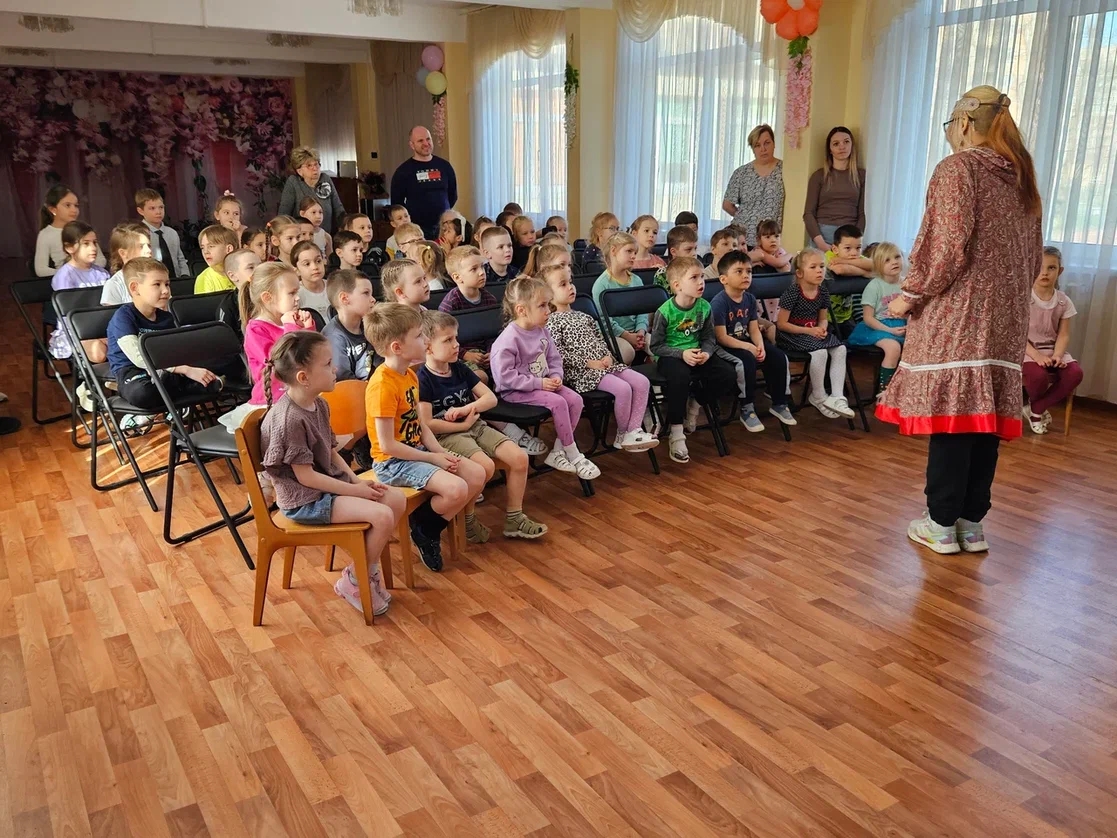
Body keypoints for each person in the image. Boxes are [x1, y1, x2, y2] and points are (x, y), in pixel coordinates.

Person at [876, 85, 1043, 555]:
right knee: (983, 421)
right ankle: (972, 524)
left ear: (964, 123)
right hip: (1005, 318)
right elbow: (1033, 259)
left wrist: (908, 297)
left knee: (953, 418)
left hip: (960, 316)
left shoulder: (958, 168)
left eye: (950, 125)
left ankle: (941, 523)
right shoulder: (1021, 174)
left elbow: (945, 247)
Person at [259, 330, 404, 616]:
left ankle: (365, 571)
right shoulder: (290, 419)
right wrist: (355, 490)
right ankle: (355, 579)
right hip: (304, 501)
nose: (335, 368)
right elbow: (306, 478)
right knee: (382, 516)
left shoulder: (319, 404)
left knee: (395, 500)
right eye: (327, 364)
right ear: (304, 377)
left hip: (326, 488)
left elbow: (331, 450)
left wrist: (357, 480)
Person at [364, 304, 485, 570]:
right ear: (397, 347)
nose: (425, 340)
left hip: (418, 451)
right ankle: (424, 530)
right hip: (393, 463)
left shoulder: (409, 374)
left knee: (476, 475)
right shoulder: (382, 386)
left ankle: (424, 521)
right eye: (419, 336)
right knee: (456, 489)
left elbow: (420, 425)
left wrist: (439, 453)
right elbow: (388, 446)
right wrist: (434, 458)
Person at [418, 311, 548, 542]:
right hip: (448, 436)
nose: (456, 345)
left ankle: (514, 519)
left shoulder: (459, 368)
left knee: (520, 458)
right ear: (427, 346)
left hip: (474, 426)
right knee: (485, 466)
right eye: (448, 340)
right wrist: (462, 425)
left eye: (456, 338)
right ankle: (467, 520)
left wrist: (467, 410)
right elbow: (428, 424)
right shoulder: (423, 378)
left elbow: (490, 399)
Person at [490, 277, 601, 480]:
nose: (548, 311)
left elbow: (553, 358)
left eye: (548, 305)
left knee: (576, 400)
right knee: (559, 402)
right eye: (542, 306)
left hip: (543, 385)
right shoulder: (507, 340)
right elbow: (505, 378)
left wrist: (556, 375)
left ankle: (558, 451)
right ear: (521, 310)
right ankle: (573, 454)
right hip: (515, 392)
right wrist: (539, 383)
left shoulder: (542, 331)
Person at [542, 265, 658, 453]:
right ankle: (623, 434)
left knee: (642, 382)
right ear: (548, 294)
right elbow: (558, 355)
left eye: (570, 282)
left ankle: (633, 430)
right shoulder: (552, 322)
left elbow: (600, 340)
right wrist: (589, 363)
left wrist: (608, 356)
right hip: (582, 373)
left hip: (604, 366)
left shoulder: (584, 316)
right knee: (623, 389)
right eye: (563, 284)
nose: (571, 287)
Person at [648, 257, 737, 463]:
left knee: (727, 373)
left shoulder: (704, 307)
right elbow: (656, 346)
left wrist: (706, 352)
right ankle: (677, 433)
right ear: (677, 285)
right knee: (679, 378)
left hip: (697, 353)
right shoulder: (665, 311)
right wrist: (682, 354)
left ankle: (696, 402)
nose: (701, 282)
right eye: (694, 278)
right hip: (671, 356)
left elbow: (708, 338)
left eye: (702, 277)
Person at [106, 258, 225, 410]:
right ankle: (182, 387)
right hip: (133, 370)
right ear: (135, 288)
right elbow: (138, 357)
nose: (165, 290)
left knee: (220, 365)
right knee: (142, 394)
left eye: (167, 284)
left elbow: (177, 350)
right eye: (157, 284)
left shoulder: (166, 317)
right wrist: (186, 370)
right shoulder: (123, 317)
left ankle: (180, 386)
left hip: (167, 368)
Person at [711, 251, 796, 432]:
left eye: (749, 271)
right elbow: (721, 337)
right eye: (739, 271)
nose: (746, 275)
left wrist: (759, 346)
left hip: (745, 340)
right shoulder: (719, 302)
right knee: (747, 361)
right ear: (724, 279)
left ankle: (779, 403)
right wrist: (748, 347)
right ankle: (747, 407)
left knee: (778, 356)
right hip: (725, 345)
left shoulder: (749, 298)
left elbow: (754, 328)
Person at [776, 249, 855, 419]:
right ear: (799, 273)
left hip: (813, 332)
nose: (819, 270)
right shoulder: (793, 293)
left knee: (840, 349)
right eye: (813, 267)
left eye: (822, 266)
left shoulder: (823, 292)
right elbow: (781, 324)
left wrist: (822, 328)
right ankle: (818, 395)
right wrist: (809, 331)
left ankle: (837, 397)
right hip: (792, 334)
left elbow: (823, 318)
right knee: (820, 353)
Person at [1022, 246, 1082, 435]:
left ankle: (1036, 408)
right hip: (1028, 351)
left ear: (1060, 271)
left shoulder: (1064, 301)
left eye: (1051, 268)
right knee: (1038, 376)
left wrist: (1057, 355)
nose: (1045, 273)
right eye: (1040, 267)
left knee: (1075, 374)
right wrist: (1037, 356)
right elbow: (1017, 335)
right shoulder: (1023, 298)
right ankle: (1036, 409)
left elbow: (1063, 334)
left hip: (1052, 350)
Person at [240, 262, 316, 405]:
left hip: (301, 393)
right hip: (273, 402)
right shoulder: (256, 330)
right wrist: (291, 328)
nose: (298, 298)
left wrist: (308, 329)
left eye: (297, 292)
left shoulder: (291, 322)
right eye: (291, 293)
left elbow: (311, 355)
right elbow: (283, 362)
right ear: (268, 297)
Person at [847, 241, 907, 391]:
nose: (894, 262)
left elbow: (912, 311)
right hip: (876, 326)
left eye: (897, 257)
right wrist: (890, 330)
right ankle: (884, 391)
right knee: (893, 348)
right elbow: (868, 318)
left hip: (902, 325)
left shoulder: (907, 284)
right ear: (879, 264)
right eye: (887, 260)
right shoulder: (874, 286)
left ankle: (904, 390)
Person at [49, 222, 110, 361]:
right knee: (98, 352)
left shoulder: (102, 273)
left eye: (95, 243)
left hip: (102, 327)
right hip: (76, 331)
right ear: (69, 247)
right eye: (86, 244)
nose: (93, 248)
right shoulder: (64, 277)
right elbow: (69, 315)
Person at [722, 125, 784, 250]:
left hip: (769, 240)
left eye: (767, 143)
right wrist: (746, 217)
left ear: (774, 144)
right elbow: (727, 205)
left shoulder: (784, 170)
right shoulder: (741, 173)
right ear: (753, 148)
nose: (763, 149)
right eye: (757, 145)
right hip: (743, 240)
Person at [804, 127, 867, 250]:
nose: (842, 147)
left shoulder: (861, 176)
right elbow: (808, 214)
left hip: (850, 236)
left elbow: (862, 213)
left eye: (846, 142)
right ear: (830, 149)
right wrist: (821, 244)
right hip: (822, 235)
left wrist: (854, 243)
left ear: (852, 145)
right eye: (836, 144)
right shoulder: (819, 176)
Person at [389, 126, 458, 239]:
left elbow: (453, 195)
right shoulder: (403, 172)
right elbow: (397, 205)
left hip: (444, 228)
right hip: (417, 231)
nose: (426, 143)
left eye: (428, 139)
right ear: (412, 145)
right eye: (420, 141)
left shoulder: (445, 166)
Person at [591, 232, 647, 365]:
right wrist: (626, 335)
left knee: (657, 345)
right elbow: (603, 320)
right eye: (629, 251)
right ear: (613, 251)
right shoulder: (601, 284)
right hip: (613, 335)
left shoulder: (637, 280)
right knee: (627, 352)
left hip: (637, 332)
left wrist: (641, 331)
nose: (633, 256)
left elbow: (643, 311)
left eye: (635, 252)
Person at [35, 185, 106, 277]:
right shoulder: (46, 234)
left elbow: (101, 259)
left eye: (76, 206)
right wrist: (69, 272)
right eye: (67, 205)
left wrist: (87, 271)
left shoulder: (83, 229)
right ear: (53, 209)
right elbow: (41, 269)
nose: (74, 210)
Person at [322, 269, 379, 383]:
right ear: (344, 298)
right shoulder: (333, 336)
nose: (373, 299)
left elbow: (383, 361)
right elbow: (343, 379)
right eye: (366, 293)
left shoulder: (370, 325)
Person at [278, 146, 346, 234]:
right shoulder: (293, 182)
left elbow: (338, 208)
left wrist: (345, 226)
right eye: (309, 165)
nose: (315, 168)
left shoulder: (325, 179)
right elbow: (284, 213)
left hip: (326, 234)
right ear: (299, 171)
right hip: (301, 235)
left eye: (316, 164)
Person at [131, 188, 188, 279]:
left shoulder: (172, 233)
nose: (158, 212)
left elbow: (180, 258)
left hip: (176, 280)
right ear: (141, 211)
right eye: (152, 208)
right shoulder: (138, 235)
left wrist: (185, 275)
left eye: (161, 207)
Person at [100, 223, 152, 306]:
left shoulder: (156, 277)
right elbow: (113, 313)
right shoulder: (114, 284)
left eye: (149, 245)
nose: (148, 250)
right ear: (123, 253)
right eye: (141, 246)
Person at [290, 241, 330, 321]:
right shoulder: (296, 295)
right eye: (307, 264)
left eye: (318, 261)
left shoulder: (335, 287)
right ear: (297, 270)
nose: (315, 267)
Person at [195, 225, 239, 293]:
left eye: (211, 246)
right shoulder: (204, 278)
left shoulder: (243, 271)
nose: (205, 252)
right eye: (202, 248)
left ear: (229, 249)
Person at [653, 226, 699, 291]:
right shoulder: (662, 275)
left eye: (695, 248)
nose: (694, 253)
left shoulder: (698, 272)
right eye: (688, 249)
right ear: (673, 252)